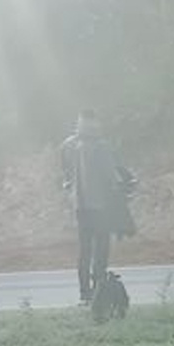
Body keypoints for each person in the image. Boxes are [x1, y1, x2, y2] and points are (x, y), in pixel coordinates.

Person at [60, 109, 136, 305]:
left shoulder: (67, 145)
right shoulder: (101, 146)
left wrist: (70, 190)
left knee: (84, 250)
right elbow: (113, 177)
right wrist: (127, 185)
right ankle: (98, 291)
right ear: (94, 124)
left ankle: (84, 293)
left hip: (80, 207)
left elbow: (66, 177)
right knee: (101, 249)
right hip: (101, 207)